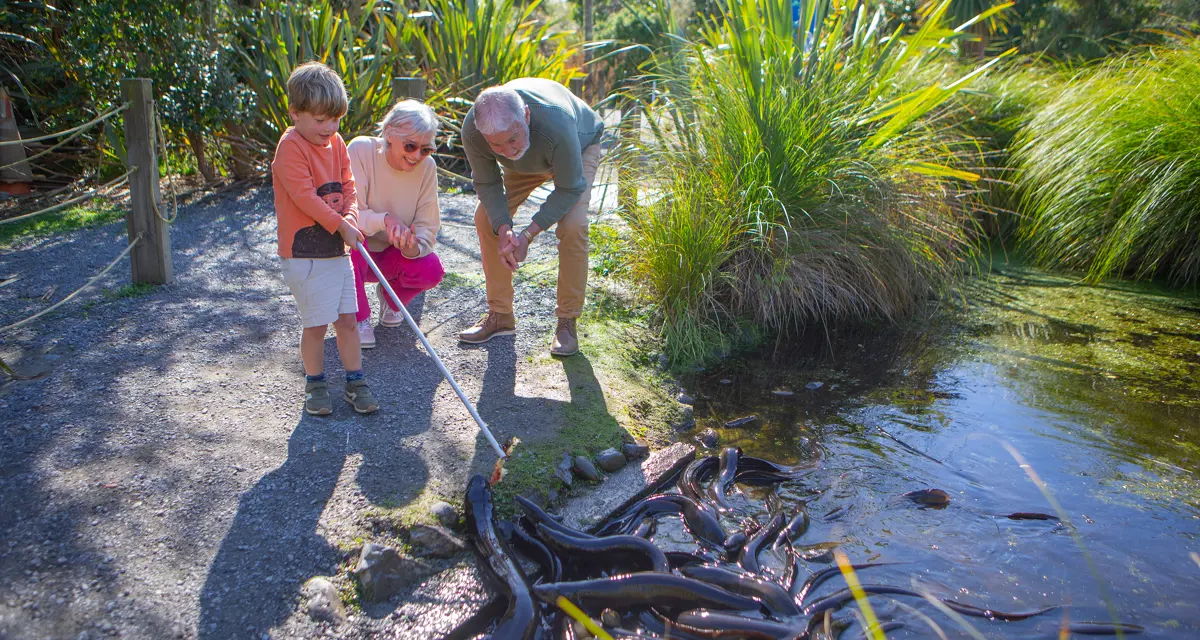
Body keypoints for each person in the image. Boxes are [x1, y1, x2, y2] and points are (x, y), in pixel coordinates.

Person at [457, 78, 604, 357]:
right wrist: (504, 228)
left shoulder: (555, 122)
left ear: (525, 114)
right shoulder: (474, 130)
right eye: (496, 146)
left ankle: (567, 321)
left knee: (573, 225)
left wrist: (527, 234)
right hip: (530, 159)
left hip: (577, 145)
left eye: (512, 139)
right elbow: (487, 183)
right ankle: (500, 315)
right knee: (485, 218)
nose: (507, 151)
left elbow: (570, 188)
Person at [271, 61, 378, 416]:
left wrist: (350, 218)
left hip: (337, 250)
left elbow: (348, 186)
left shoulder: (337, 141)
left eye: (335, 119)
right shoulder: (290, 148)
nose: (330, 127)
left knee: (348, 318)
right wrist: (342, 225)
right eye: (320, 120)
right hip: (305, 254)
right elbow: (305, 198)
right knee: (316, 323)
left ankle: (355, 380)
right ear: (295, 113)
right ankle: (315, 383)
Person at [346, 100, 445, 349]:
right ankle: (359, 318)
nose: (416, 156)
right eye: (410, 146)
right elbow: (349, 212)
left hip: (392, 255)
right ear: (389, 133)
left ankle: (391, 299)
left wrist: (412, 246)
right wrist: (385, 220)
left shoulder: (427, 168)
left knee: (431, 269)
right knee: (353, 239)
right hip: (358, 251)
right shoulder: (360, 150)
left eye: (425, 150)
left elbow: (427, 226)